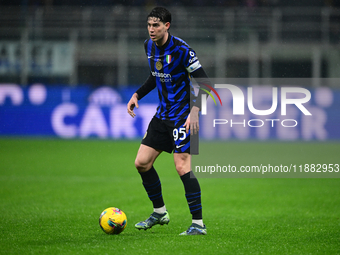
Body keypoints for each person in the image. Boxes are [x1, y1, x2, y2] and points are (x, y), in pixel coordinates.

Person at [127, 6, 211, 235]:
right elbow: (155, 76)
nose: (151, 30)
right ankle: (160, 212)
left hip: (184, 118)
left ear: (167, 26)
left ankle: (198, 224)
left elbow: (206, 84)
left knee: (182, 166)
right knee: (142, 163)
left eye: (156, 25)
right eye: (149, 25)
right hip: (162, 116)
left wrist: (194, 112)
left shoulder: (183, 50)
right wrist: (137, 95)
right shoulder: (149, 47)